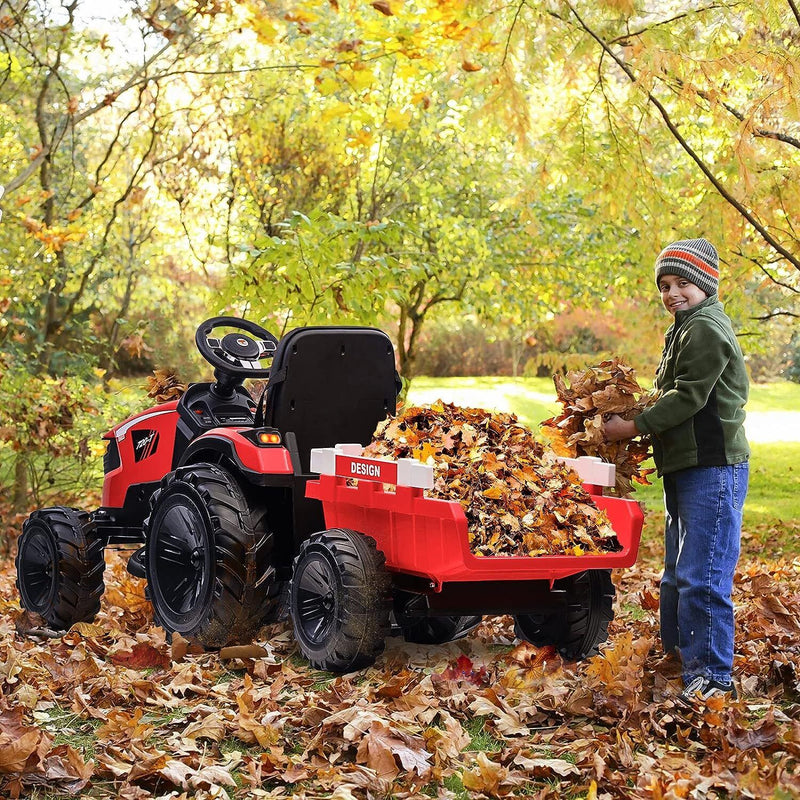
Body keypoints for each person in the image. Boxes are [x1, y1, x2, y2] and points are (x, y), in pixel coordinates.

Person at [604, 238, 750, 704]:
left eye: (682, 283)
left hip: (713, 467)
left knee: (703, 573)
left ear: (705, 283)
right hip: (685, 467)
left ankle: (711, 677)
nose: (672, 293)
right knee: (676, 574)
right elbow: (666, 392)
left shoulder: (707, 328)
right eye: (665, 285)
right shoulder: (683, 328)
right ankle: (678, 658)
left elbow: (689, 397)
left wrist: (631, 425)